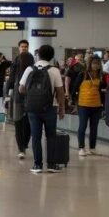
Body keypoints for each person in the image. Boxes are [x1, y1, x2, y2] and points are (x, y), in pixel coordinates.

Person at [19, 44, 66, 174]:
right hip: (49, 108)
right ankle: (51, 164)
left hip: (32, 108)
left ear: (38, 54)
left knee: (35, 136)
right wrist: (62, 109)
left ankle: (37, 165)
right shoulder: (54, 70)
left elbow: (21, 89)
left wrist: (32, 93)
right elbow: (60, 92)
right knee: (51, 136)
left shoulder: (29, 69)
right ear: (51, 56)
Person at [72, 55, 108, 157]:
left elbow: (104, 90)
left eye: (97, 63)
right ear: (90, 64)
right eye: (94, 63)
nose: (96, 66)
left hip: (96, 105)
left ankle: (92, 148)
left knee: (94, 127)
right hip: (83, 105)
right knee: (82, 126)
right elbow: (74, 88)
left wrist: (103, 103)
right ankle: (81, 147)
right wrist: (75, 101)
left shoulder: (102, 76)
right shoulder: (83, 74)